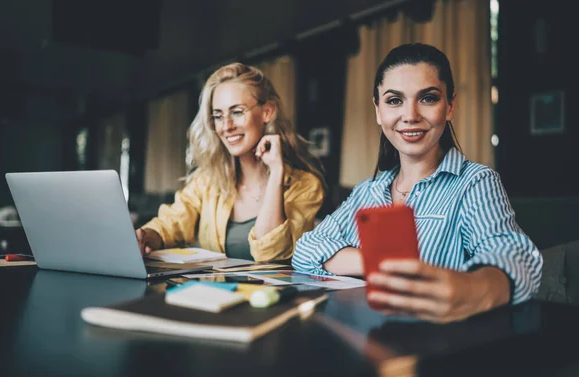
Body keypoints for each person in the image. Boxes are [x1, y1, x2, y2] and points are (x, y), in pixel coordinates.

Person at [292, 43, 542, 323]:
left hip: (441, 349)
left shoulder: (474, 182)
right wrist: (380, 265)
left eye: (428, 98)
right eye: (394, 100)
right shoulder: (367, 190)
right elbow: (306, 248)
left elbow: (517, 257)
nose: (410, 115)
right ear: (378, 111)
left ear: (450, 107)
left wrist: (475, 289)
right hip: (370, 344)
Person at [136, 63, 325, 262]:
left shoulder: (306, 186)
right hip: (217, 292)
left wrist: (276, 172)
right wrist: (146, 236)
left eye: (237, 112)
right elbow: (170, 223)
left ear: (267, 111)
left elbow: (272, 253)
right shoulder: (207, 182)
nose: (226, 126)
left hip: (274, 293)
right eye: (218, 116)